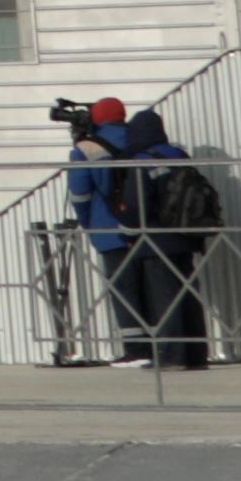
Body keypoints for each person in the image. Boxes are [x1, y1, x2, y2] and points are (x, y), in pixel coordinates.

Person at [107, 101, 225, 370]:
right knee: (188, 295)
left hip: (156, 240)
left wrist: (125, 228)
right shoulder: (178, 156)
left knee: (165, 298)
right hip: (187, 236)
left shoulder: (142, 162)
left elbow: (137, 205)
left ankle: (172, 356)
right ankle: (196, 355)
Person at [62, 101, 152, 361]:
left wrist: (89, 224)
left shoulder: (86, 149)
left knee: (125, 289)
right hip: (148, 227)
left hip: (109, 228)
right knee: (153, 286)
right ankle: (164, 342)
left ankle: (136, 349)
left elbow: (80, 194)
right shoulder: (142, 140)